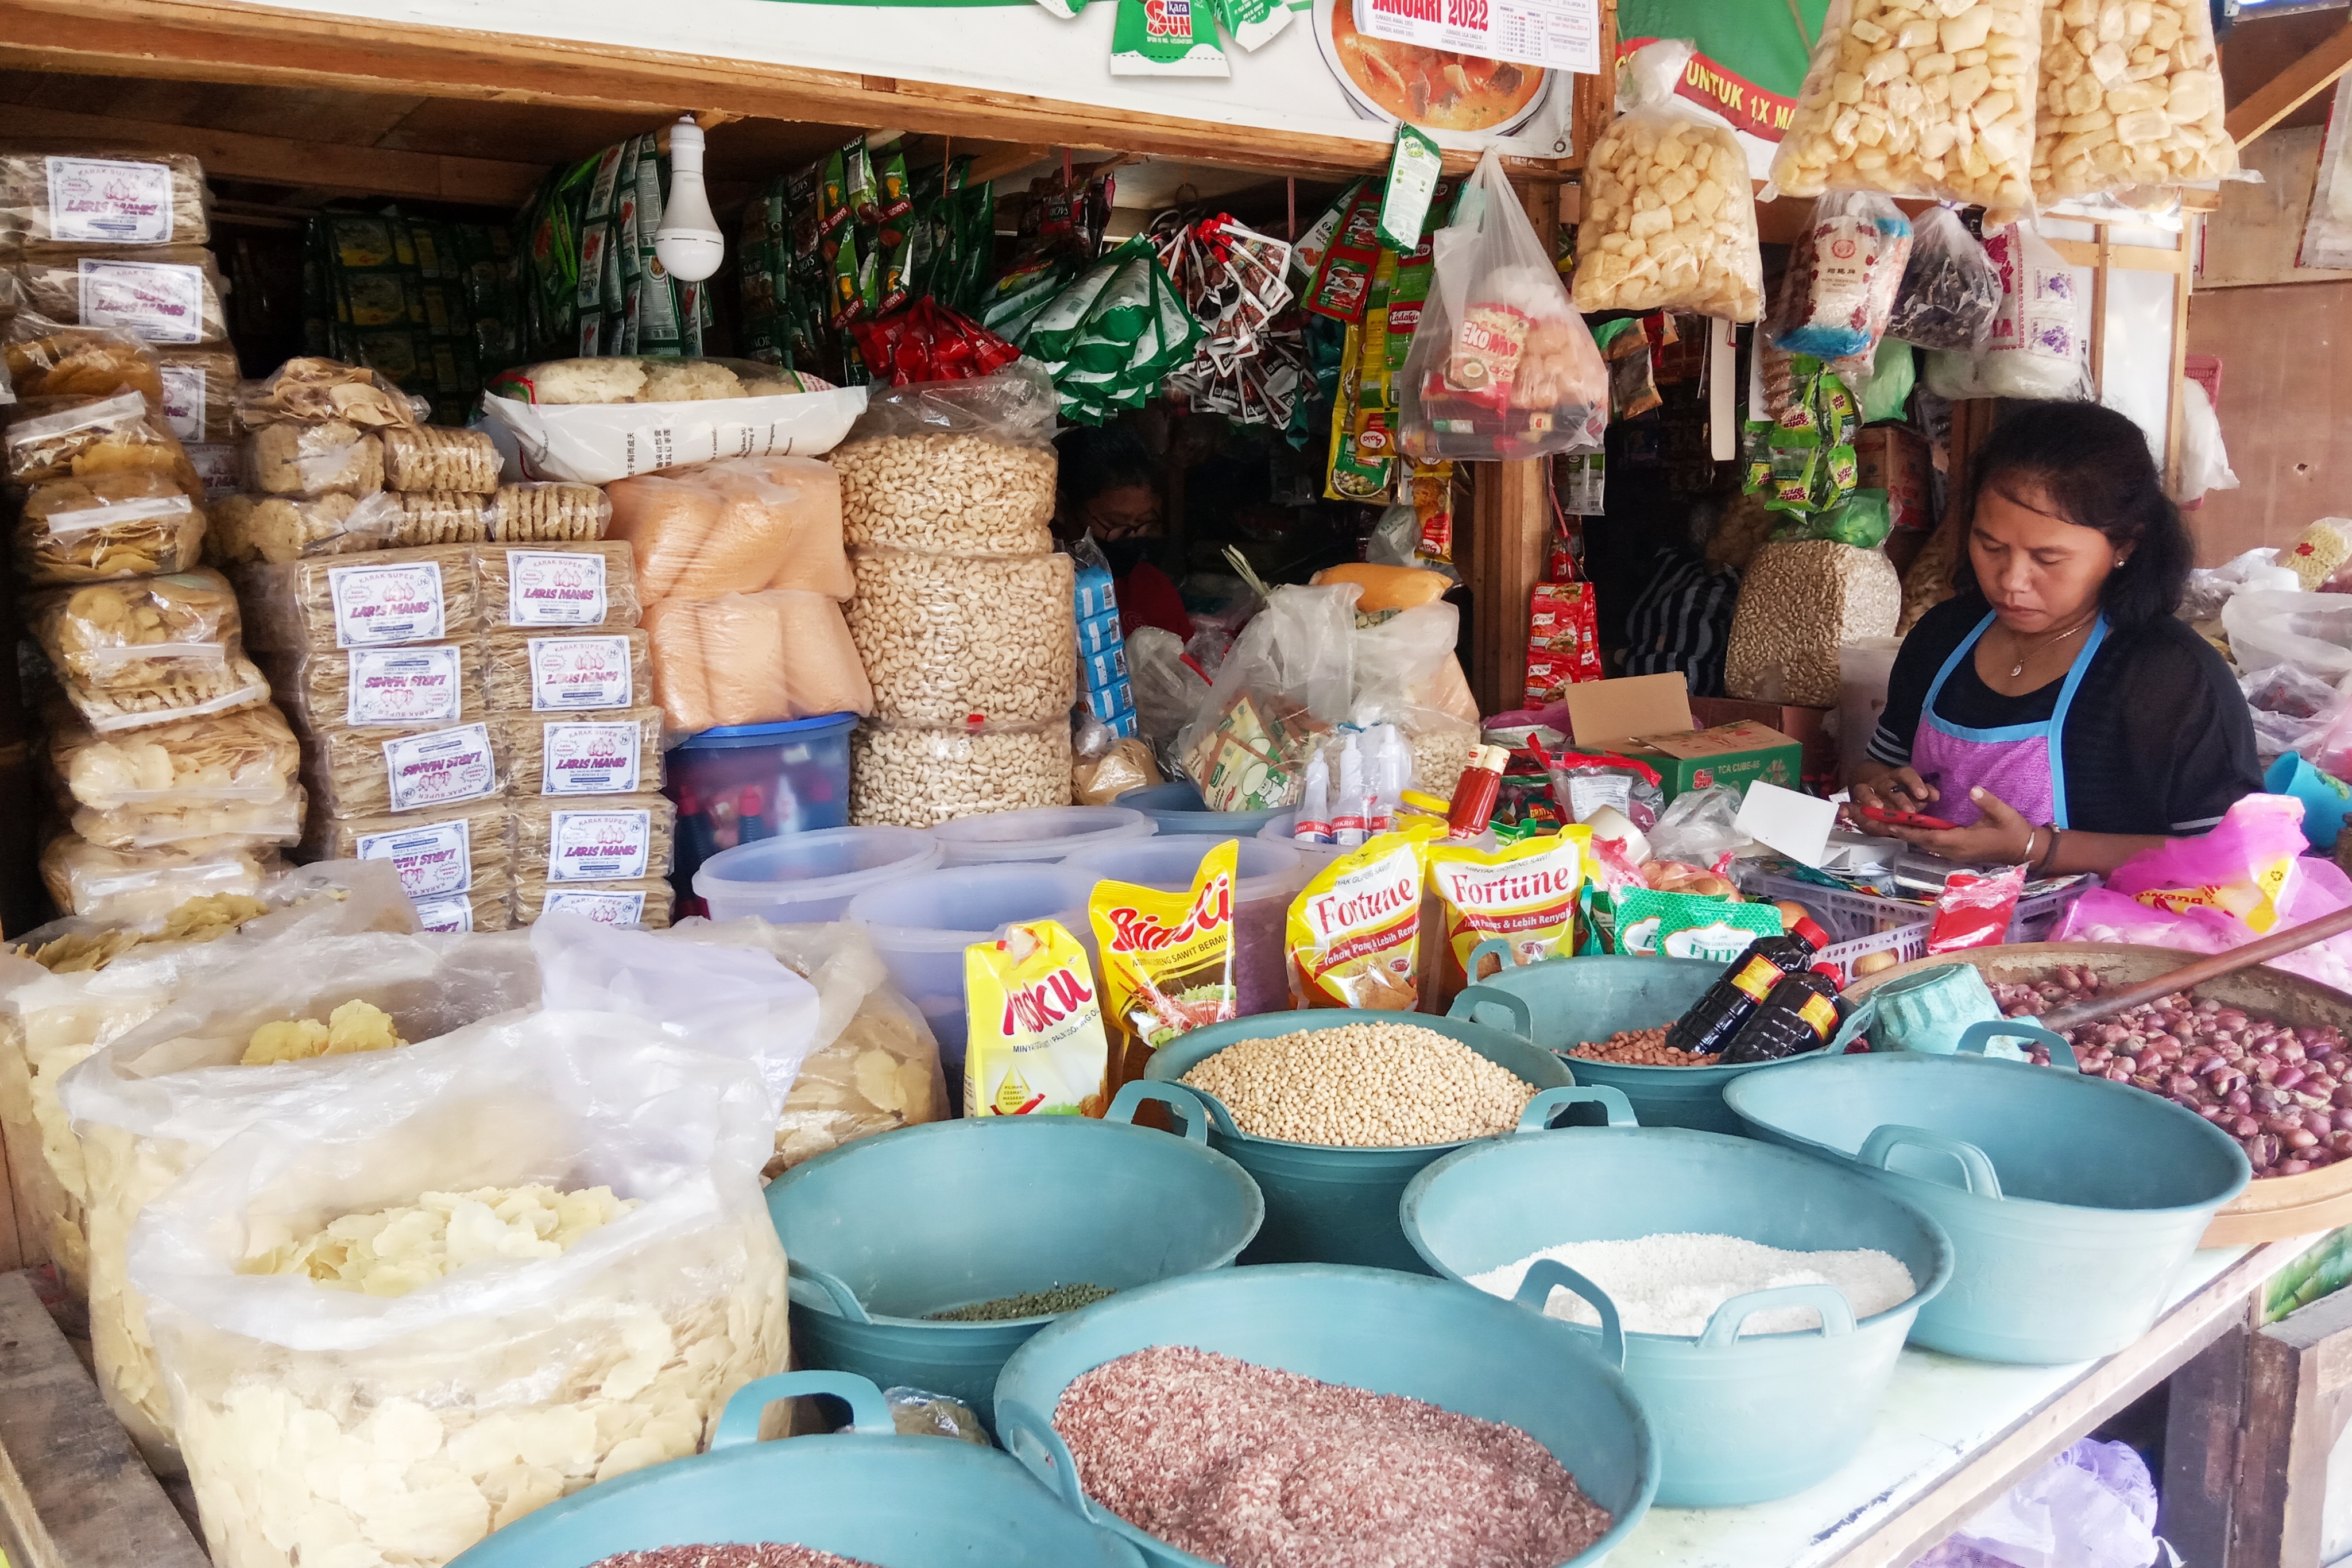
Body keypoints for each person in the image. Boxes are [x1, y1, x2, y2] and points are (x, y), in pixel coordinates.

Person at [1849, 401, 2261, 876]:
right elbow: (1875, 768)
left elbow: (2231, 857)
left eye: (2047, 558)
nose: (2011, 580)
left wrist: (2037, 848)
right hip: (1928, 927)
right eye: (1991, 545)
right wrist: (1881, 793)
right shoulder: (1944, 636)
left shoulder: (2169, 676)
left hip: (2100, 941)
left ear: (2124, 544)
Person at [1055, 425, 1193, 642]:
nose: (1132, 536)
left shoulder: (1153, 589)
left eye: (1143, 522)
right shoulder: (1037, 593)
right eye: (1116, 523)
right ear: (1061, 507)